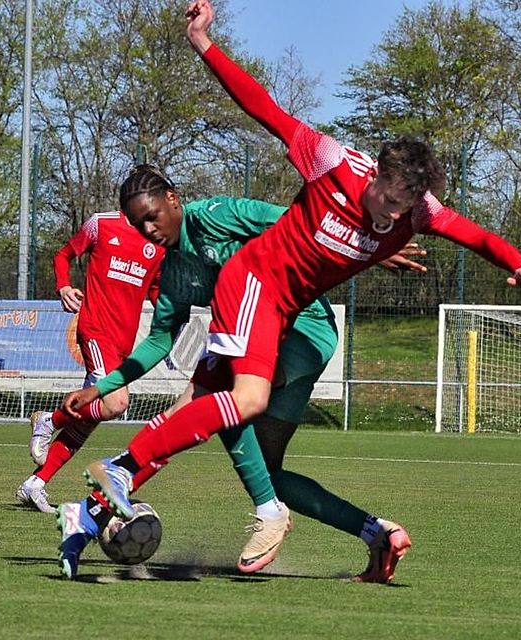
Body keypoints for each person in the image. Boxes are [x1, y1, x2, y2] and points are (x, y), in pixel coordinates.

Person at [83, 0, 521, 584]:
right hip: (255, 286)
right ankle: (132, 477)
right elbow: (262, 106)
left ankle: (133, 472)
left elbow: (469, 232)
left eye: (402, 206)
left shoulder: (416, 213)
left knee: (245, 432)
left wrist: (515, 259)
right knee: (232, 405)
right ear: (374, 173)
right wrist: (203, 43)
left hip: (292, 320)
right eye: (385, 197)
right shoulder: (332, 162)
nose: (389, 211)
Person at [53, 164, 427, 580]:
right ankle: (378, 534)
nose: (149, 229)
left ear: (173, 199)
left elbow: (298, 223)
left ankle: (259, 512)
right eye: (139, 224)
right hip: (266, 345)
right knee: (268, 471)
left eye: (153, 215)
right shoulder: (173, 270)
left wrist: (369, 245)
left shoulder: (217, 214)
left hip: (302, 329)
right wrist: (100, 387)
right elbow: (160, 341)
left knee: (218, 393)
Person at [13, 207, 164, 513]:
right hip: (96, 331)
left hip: (122, 343)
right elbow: (63, 255)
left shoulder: (159, 242)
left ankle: (36, 484)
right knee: (117, 403)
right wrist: (63, 286)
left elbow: (158, 291)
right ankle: (49, 420)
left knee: (89, 418)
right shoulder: (102, 224)